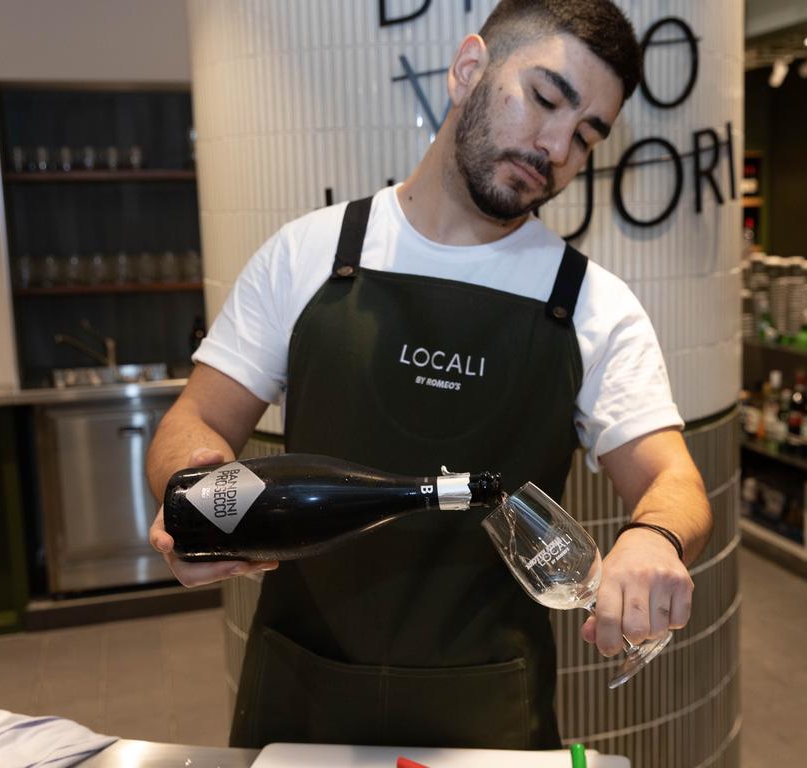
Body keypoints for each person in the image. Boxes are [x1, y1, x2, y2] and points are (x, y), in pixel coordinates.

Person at [147, 0, 712, 751]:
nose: (555, 147)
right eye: (545, 99)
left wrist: (656, 538)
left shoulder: (592, 307)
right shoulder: (310, 254)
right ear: (468, 68)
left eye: (585, 136)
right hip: (301, 697)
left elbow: (675, 479)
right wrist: (196, 493)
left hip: (488, 712)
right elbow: (196, 422)